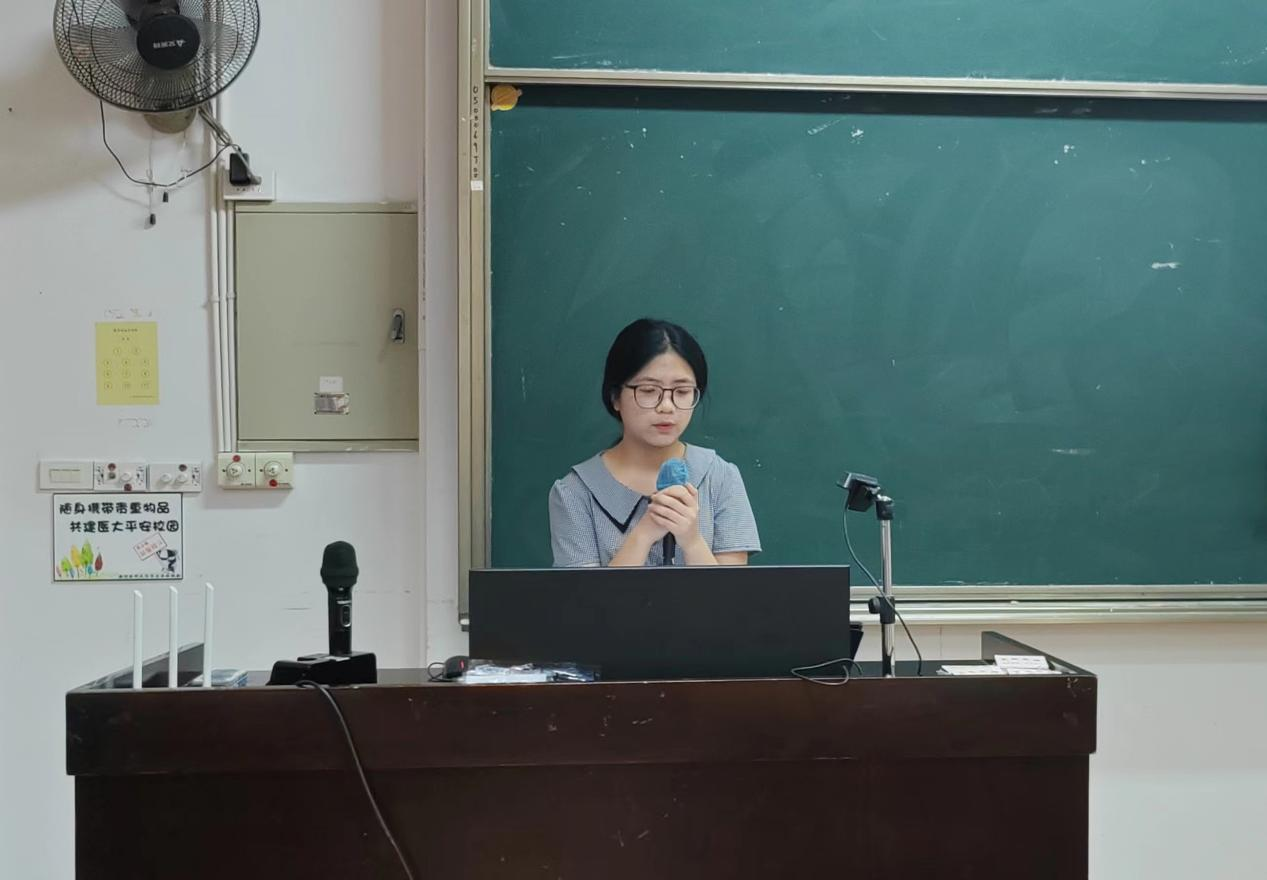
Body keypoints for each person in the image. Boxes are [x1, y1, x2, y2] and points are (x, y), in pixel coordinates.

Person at [548, 318, 761, 567]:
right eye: (649, 391)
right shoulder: (575, 492)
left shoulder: (720, 477)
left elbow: (732, 590)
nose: (667, 407)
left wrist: (692, 541)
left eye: (682, 392)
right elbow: (585, 593)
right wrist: (644, 534)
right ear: (615, 396)